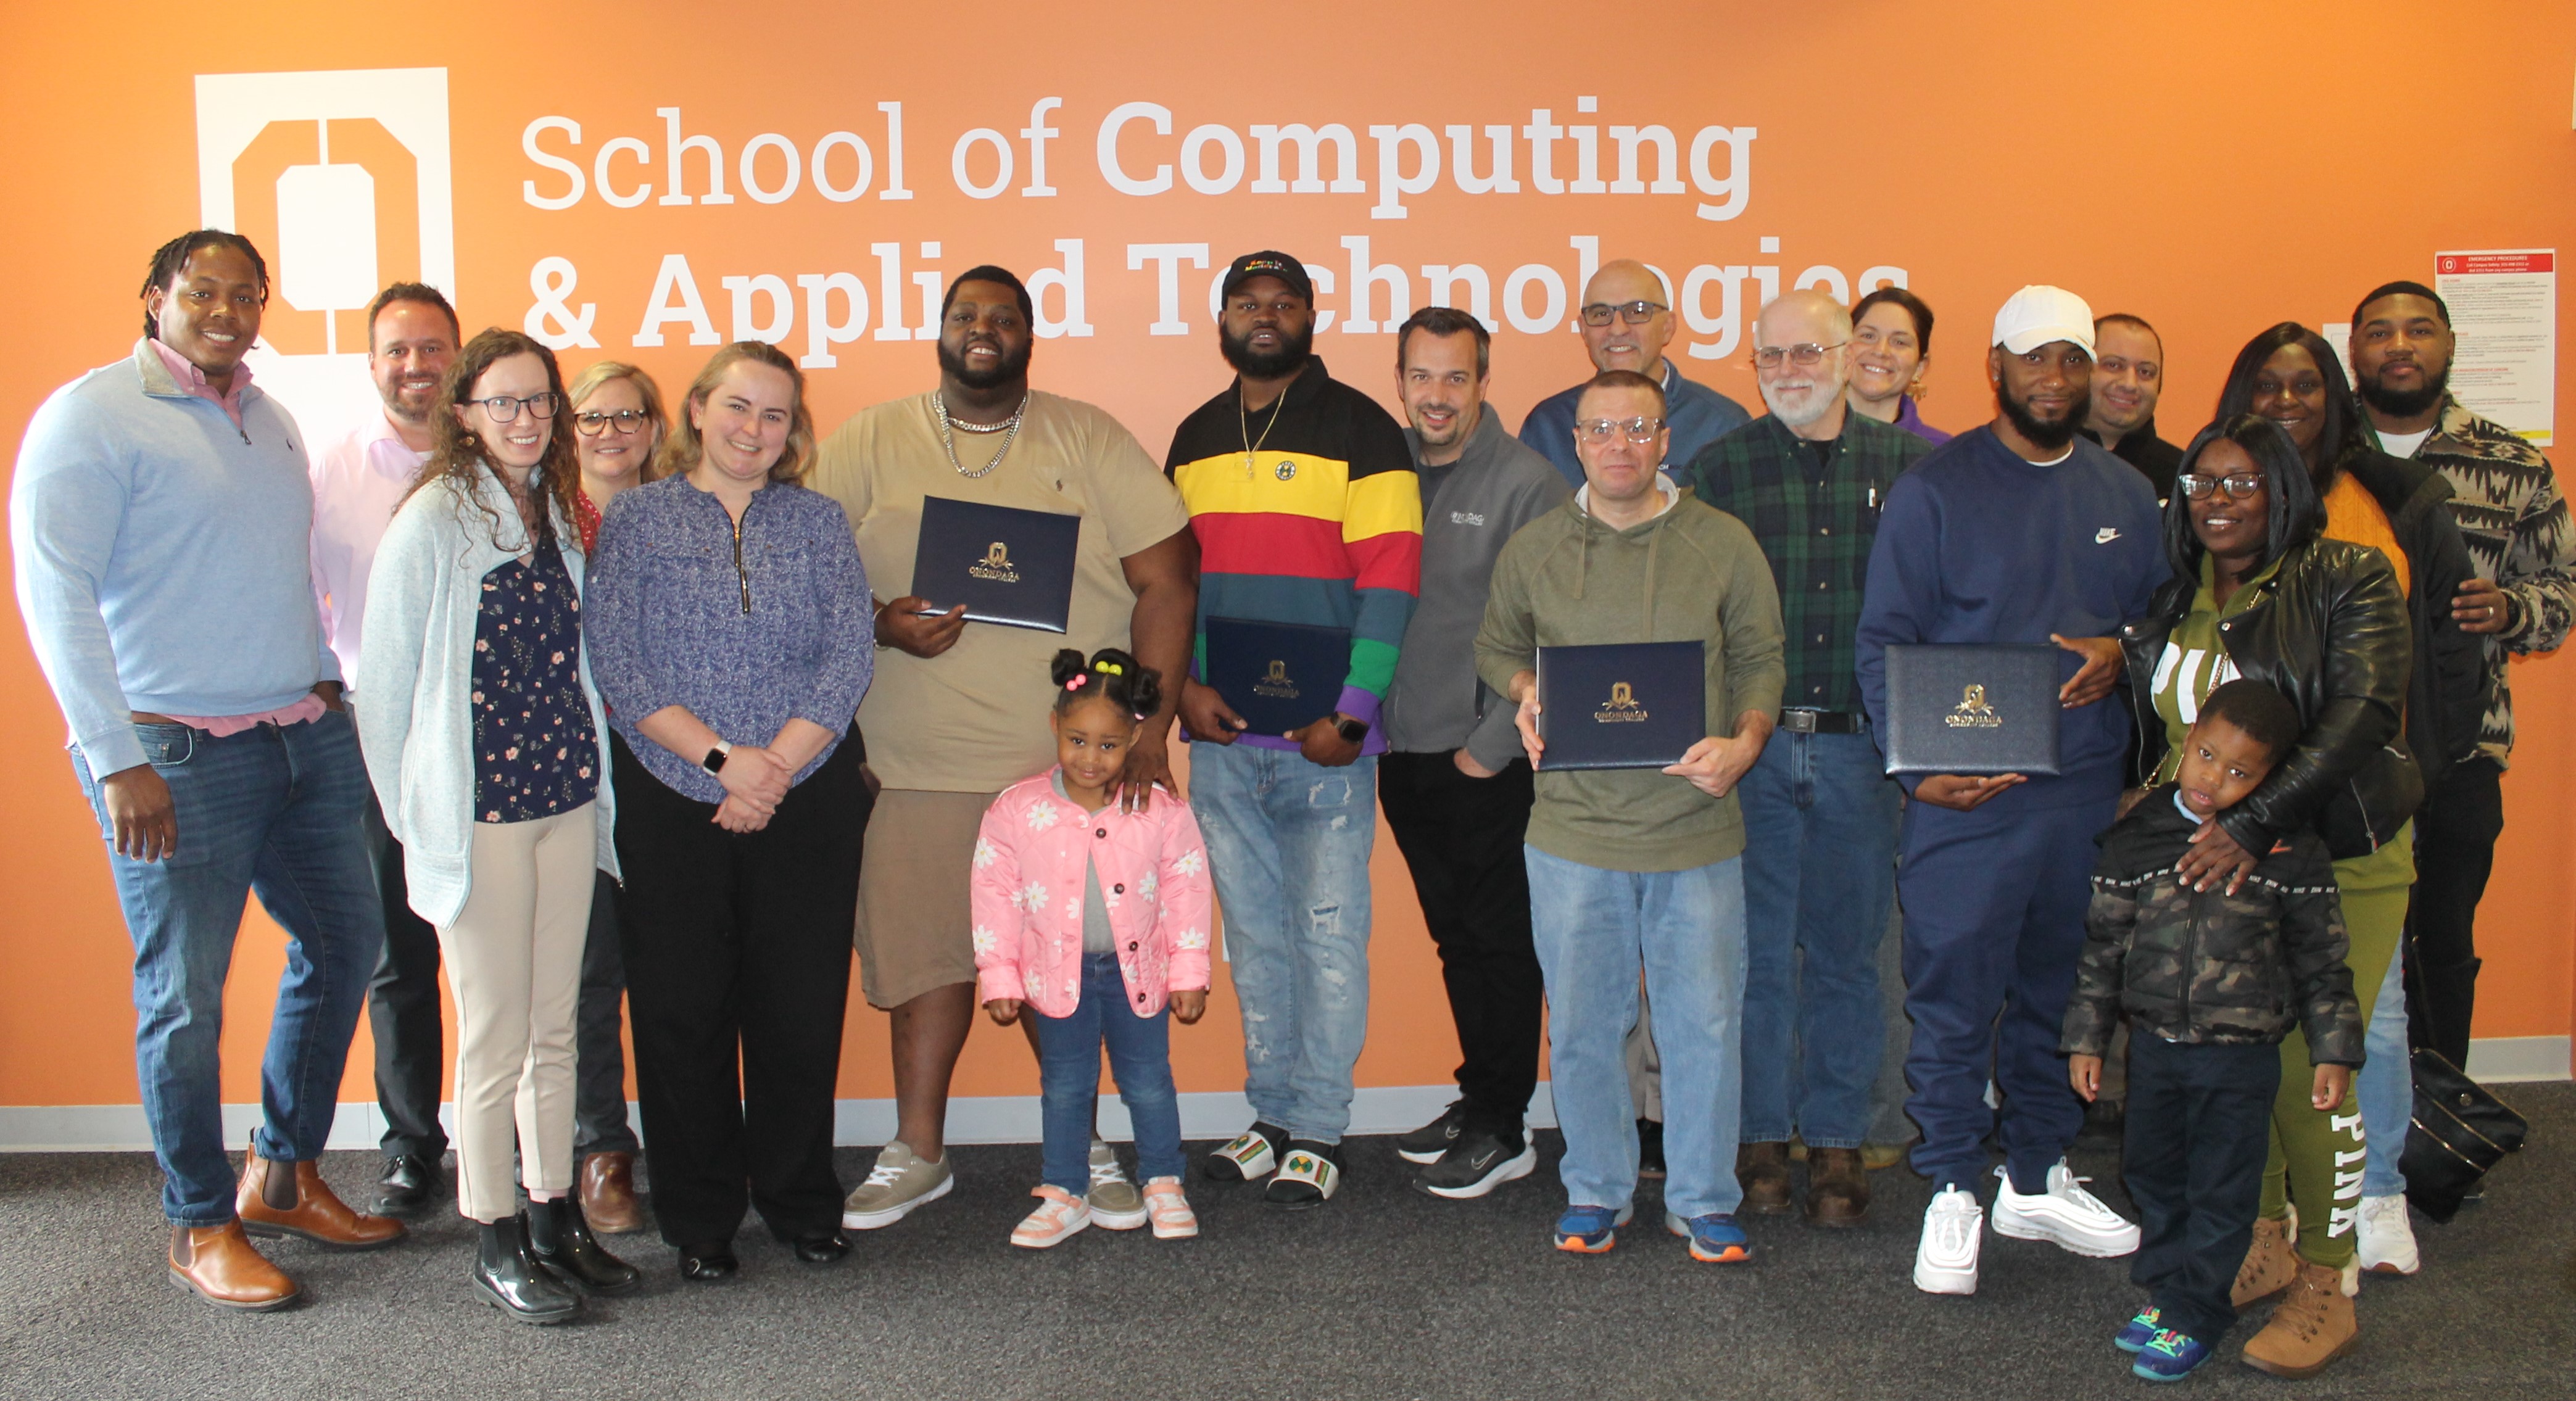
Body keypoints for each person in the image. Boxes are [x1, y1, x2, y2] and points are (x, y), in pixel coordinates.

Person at [10, 231, 402, 1310]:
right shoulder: (91, 418)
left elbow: (281, 576)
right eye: (202, 292)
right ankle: (197, 1223)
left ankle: (281, 1172)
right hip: (172, 754)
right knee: (183, 995)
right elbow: (56, 599)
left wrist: (323, 681)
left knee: (346, 942)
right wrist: (113, 756)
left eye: (246, 294)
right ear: (154, 298)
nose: (227, 310)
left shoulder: (268, 418)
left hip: (301, 737)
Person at [811, 265, 1194, 1233]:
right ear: (938, 329)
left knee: (1065, 964)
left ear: (1030, 334)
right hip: (916, 760)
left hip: (1065, 775)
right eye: (964, 315)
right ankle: (917, 1148)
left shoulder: (1087, 435)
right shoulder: (869, 437)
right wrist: (876, 625)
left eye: (1003, 317)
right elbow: (798, 580)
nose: (983, 329)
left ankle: (1085, 1146)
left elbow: (1168, 578)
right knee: (927, 962)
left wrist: (1147, 729)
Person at [1855, 284, 2161, 1297]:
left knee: (2062, 993)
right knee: (1951, 996)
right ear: (1996, 367)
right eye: (2036, 360)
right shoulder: (1934, 490)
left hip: (2081, 793)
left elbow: (2167, 626)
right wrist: (1913, 763)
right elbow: (1883, 641)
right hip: (1965, 797)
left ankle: (2034, 1171)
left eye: (2073, 359)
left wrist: (2125, 651)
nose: (2057, 379)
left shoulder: (2123, 496)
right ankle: (1952, 1184)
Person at [2114, 412, 2421, 1377]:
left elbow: (2359, 714)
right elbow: (2180, 731)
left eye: (2242, 481)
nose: (2218, 497)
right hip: (2216, 865)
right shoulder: (2175, 596)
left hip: (2331, 857)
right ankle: (2265, 1233)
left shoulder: (2346, 576)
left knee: (2302, 1066)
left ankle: (2326, 1280)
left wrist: (2254, 823)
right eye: (2202, 482)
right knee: (2239, 1062)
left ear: (2282, 490)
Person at [355, 328, 638, 1322]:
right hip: (477, 818)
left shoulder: (557, 509)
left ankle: (555, 1215)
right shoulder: (432, 519)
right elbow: (383, 694)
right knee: (496, 1038)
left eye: (540, 401)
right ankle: (494, 1234)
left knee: (557, 1026)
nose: (525, 419)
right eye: (503, 402)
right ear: (464, 413)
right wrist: (417, 826)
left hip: (563, 800)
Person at [1476, 368, 1784, 1261]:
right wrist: (1525, 689)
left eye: (1637, 428)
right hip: (1572, 833)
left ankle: (1701, 1195)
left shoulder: (1721, 544)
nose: (1618, 445)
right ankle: (1595, 1189)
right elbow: (1495, 644)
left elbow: (1761, 657)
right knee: (1580, 1024)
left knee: (1704, 1024)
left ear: (1663, 438)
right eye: (1599, 429)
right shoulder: (1533, 547)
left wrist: (1745, 740)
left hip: (1695, 827)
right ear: (1575, 441)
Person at [586, 341, 876, 1281]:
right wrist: (723, 762)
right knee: (681, 1012)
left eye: (777, 414)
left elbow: (848, 657)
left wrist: (775, 767)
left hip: (806, 796)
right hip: (673, 797)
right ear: (699, 410)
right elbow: (620, 665)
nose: (755, 429)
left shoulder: (819, 522)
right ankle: (700, 1216)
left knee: (797, 1010)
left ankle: (800, 1200)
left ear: (794, 431)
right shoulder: (634, 520)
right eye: (739, 407)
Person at [1168, 250, 1421, 1207]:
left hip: (1325, 748)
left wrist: (1353, 715)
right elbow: (1174, 584)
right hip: (1226, 745)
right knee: (1257, 943)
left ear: (1311, 315)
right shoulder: (1194, 436)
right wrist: (1184, 688)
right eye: (1247, 303)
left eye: (1282, 303)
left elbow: (1391, 580)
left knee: (1325, 938)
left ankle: (1318, 1124)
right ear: (1222, 316)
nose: (1263, 317)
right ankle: (1267, 1112)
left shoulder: (1364, 431)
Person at [1686, 289, 1928, 1226]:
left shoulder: (1914, 469)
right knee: (1747, 958)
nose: (1789, 369)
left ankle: (1833, 1138)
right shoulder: (1718, 468)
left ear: (1846, 355)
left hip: (1858, 750)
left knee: (1845, 954)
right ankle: (1757, 1136)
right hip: (1746, 752)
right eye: (1770, 355)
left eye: (1806, 351)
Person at [2345, 281, 2574, 1274]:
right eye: (2378, 332)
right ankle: (2336, 1141)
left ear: (2448, 343)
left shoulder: (2505, 461)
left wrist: (2510, 610)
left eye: (2416, 330)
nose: (2398, 348)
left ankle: (2430, 1143)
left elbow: (2559, 597)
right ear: (2350, 349)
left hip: (2460, 749)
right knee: (2343, 958)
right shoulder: (2316, 450)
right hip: (2343, 758)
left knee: (2437, 945)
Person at [2064, 679, 2361, 1384]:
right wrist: (2086, 1038)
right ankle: (2171, 1293)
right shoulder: (2137, 836)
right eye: (2205, 756)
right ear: (2188, 737)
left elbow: (2323, 962)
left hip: (2240, 1058)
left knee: (2221, 1189)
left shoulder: (2291, 853)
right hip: (2156, 1050)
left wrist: (2334, 1050)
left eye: (2239, 772)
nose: (2212, 779)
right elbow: (2101, 947)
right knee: (2151, 1175)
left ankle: (2199, 1312)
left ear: (2272, 779)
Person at [1378, 307, 1570, 1198]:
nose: (1438, 395)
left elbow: (1545, 627)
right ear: (1401, 380)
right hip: (1401, 748)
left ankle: (1505, 1121)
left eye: (1456, 377)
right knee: (1454, 938)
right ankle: (1476, 1091)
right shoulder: (1385, 473)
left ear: (1482, 382)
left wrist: (1488, 748)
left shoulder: (1526, 482)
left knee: (1497, 940)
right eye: (1422, 376)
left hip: (1483, 755)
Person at [305, 281, 462, 1218]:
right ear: (372, 364)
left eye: (433, 347)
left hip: (491, 742)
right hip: (374, 737)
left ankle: (521, 1135)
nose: (416, 366)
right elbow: (297, 589)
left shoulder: (498, 457)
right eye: (398, 350)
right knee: (397, 958)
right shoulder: (329, 467)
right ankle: (411, 1143)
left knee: (498, 952)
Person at [971, 648, 1214, 1248]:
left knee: (1149, 1083)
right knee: (1064, 1085)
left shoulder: (1159, 812)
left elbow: (1187, 888)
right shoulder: (1018, 810)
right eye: (1077, 740)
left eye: (1107, 745)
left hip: (1138, 976)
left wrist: (1189, 971)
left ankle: (1163, 1181)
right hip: (1057, 979)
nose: (1089, 758)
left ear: (1134, 736)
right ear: (1055, 726)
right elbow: (993, 893)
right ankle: (1065, 1191)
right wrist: (999, 977)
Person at [558, 359, 669, 1235]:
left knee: (671, 972)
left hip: (668, 766)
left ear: (656, 426)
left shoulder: (684, 517)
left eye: (628, 415)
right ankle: (601, 1147)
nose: (609, 431)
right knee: (591, 972)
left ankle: (684, 1137)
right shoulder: (538, 517)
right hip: (572, 773)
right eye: (591, 416)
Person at [1520, 258, 1752, 487]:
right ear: (1583, 329)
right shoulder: (1547, 427)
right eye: (1601, 314)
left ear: (1668, 327)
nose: (1618, 328)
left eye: (1638, 311)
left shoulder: (1722, 426)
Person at [2081, 314, 2185, 502]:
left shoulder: (2183, 477)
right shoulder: (2038, 462)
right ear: (2080, 371)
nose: (2130, 384)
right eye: (2113, 365)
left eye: (2145, 372)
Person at [1845, 286, 1950, 445]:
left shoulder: (1941, 453)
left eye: (1899, 342)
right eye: (1868, 336)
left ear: (1920, 366)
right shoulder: (1803, 438)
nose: (1881, 351)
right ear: (1843, 350)